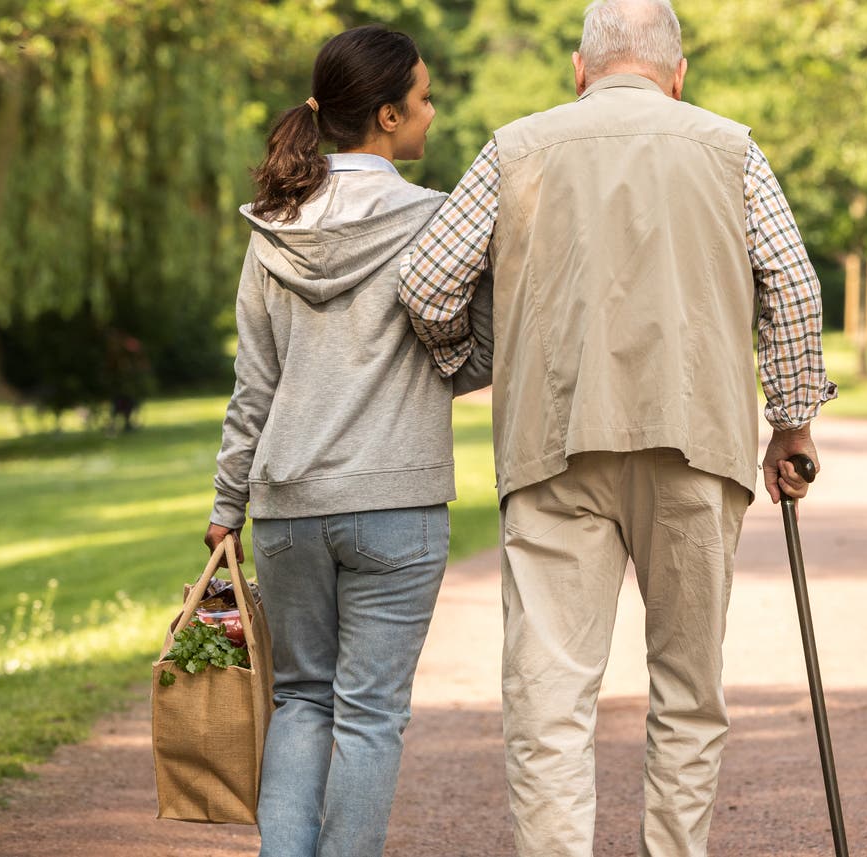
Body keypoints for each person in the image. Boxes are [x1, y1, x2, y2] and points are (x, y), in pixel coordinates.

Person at [398, 1, 836, 854]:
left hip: (554, 442)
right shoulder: (731, 147)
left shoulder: (515, 148)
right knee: (687, 687)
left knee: (549, 695)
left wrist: (471, 357)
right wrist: (791, 424)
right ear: (678, 75)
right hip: (697, 442)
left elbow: (426, 281)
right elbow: (794, 284)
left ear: (578, 69)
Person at [203, 24, 489, 857]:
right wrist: (436, 372)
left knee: (300, 701)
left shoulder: (273, 228)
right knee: (369, 716)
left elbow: (253, 385)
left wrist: (227, 505)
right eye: (426, 97)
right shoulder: (436, 221)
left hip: (287, 505)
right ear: (391, 117)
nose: (434, 111)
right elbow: (485, 345)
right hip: (396, 503)